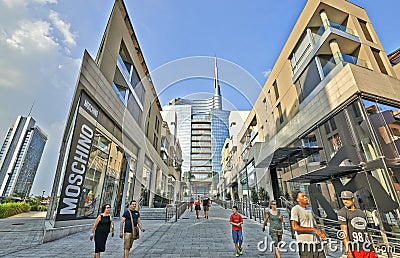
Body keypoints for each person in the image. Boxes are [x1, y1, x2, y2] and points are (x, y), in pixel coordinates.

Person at [337, 191, 376, 258]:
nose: (345, 201)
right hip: (355, 248)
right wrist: (348, 252)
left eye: (347, 199)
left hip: (368, 247)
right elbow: (344, 233)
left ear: (353, 199)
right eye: (343, 199)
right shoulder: (342, 212)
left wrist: (373, 247)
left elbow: (366, 231)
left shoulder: (361, 213)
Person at [290, 190, 327, 258]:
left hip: (316, 242)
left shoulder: (309, 209)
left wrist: (320, 234)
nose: (306, 197)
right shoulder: (295, 209)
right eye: (303, 196)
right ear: (297, 199)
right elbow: (295, 227)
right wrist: (313, 230)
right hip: (305, 244)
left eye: (305, 196)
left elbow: (314, 223)